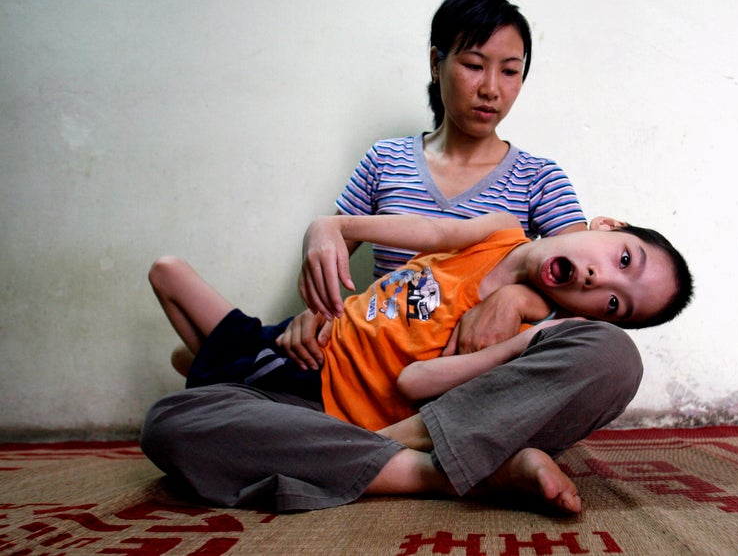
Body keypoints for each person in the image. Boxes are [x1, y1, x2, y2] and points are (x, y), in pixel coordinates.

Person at [141, 211, 693, 513]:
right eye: (624, 258)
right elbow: (430, 231)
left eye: (617, 303)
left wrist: (525, 340)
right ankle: (465, 476)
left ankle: (404, 461)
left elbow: (416, 381)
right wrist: (335, 226)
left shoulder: (537, 325)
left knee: (615, 358)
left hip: (361, 419)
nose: (604, 281)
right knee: (171, 421)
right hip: (304, 381)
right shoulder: (499, 231)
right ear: (605, 224)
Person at [168, 0, 587, 376]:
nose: (491, 89)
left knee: (601, 352)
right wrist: (316, 310)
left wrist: (514, 298)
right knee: (199, 360)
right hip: (380, 356)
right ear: (435, 63)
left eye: (510, 72)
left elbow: (589, 298)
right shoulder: (386, 160)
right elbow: (331, 252)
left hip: (475, 370)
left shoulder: (539, 179)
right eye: (474, 65)